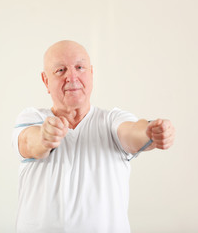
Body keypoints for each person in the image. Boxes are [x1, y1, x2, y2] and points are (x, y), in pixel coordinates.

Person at [12, 40, 175, 233]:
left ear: (91, 73)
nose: (72, 77)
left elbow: (132, 132)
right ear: (46, 80)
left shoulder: (111, 120)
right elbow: (28, 142)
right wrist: (44, 136)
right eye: (61, 70)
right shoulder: (33, 118)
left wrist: (150, 132)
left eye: (80, 67)